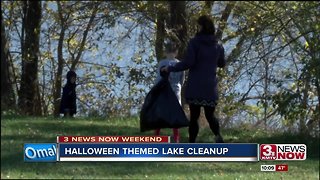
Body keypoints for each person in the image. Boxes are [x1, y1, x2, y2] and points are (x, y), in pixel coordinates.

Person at [161, 15, 226, 143]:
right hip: (210, 86)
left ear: (201, 27)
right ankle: (218, 136)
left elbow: (188, 63)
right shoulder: (218, 44)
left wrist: (170, 68)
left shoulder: (195, 42)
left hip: (196, 84)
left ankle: (192, 143)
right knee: (210, 115)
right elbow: (222, 63)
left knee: (194, 116)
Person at [154, 41, 185, 143]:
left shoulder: (162, 63)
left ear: (165, 52)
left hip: (164, 91)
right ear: (176, 52)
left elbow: (158, 78)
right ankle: (176, 138)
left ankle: (156, 137)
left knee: (160, 114)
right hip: (176, 91)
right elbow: (182, 80)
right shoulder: (180, 64)